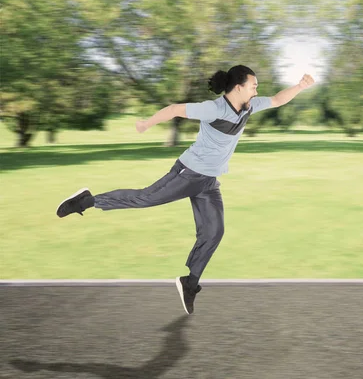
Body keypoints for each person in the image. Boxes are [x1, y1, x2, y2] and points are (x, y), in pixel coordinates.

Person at [56, 65, 315, 314]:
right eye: (253, 86)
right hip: (188, 173)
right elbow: (174, 110)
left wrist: (300, 86)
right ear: (238, 88)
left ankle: (189, 282)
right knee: (145, 198)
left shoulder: (249, 106)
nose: (257, 91)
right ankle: (86, 201)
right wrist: (147, 124)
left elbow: (279, 99)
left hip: (209, 182)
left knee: (214, 231)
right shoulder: (213, 109)